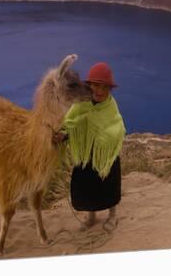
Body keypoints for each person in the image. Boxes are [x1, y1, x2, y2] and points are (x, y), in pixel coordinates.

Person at [54, 62, 126, 232]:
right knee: (86, 187)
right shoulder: (81, 104)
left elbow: (117, 128)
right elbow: (70, 124)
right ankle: (91, 216)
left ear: (110, 89)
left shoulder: (110, 107)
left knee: (109, 185)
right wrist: (63, 135)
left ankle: (112, 216)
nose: (99, 91)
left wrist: (104, 137)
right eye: (95, 86)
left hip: (104, 155)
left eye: (104, 87)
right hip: (86, 153)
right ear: (88, 86)